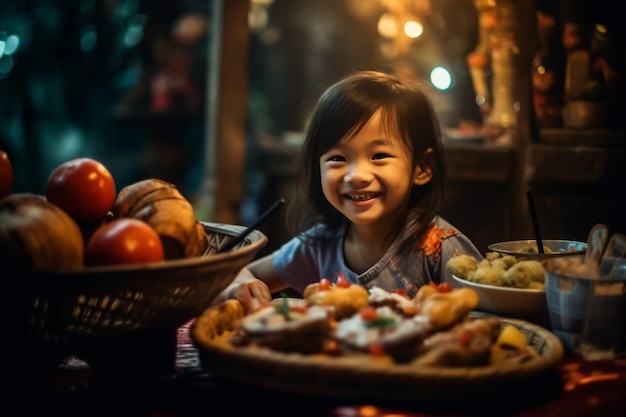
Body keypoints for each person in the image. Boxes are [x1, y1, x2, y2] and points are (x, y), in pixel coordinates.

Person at [217, 70, 483, 313]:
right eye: (337, 158)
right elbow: (237, 274)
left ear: (421, 168)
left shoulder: (441, 249)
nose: (356, 176)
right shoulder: (320, 246)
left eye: (379, 155)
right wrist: (240, 288)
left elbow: (489, 323)